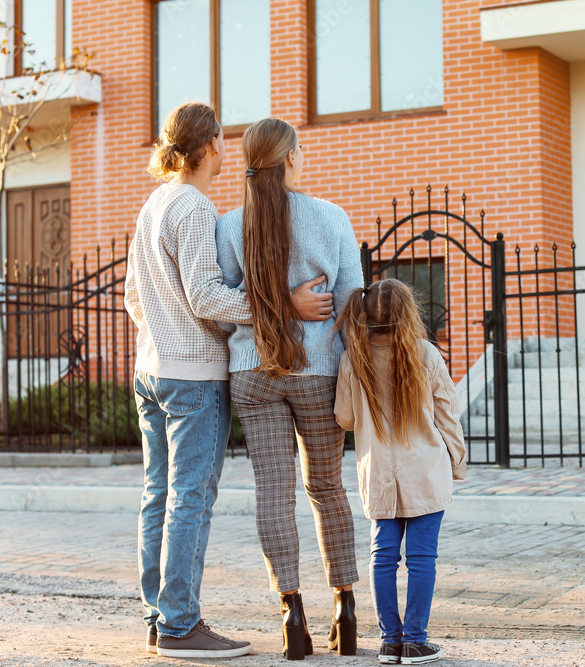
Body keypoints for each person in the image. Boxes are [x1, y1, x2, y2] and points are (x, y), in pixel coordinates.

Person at [125, 102, 330, 659]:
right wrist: (282, 305)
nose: (223, 148)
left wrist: (163, 337)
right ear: (209, 145)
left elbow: (132, 299)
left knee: (158, 496)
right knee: (190, 498)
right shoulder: (193, 206)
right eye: (220, 139)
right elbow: (207, 297)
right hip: (191, 378)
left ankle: (159, 616)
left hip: (151, 371)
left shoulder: (153, 204)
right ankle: (181, 626)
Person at [215, 117, 363, 661]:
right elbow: (352, 304)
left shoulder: (230, 226)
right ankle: (346, 610)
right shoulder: (331, 218)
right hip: (317, 371)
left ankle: (291, 614)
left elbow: (227, 303)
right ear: (293, 158)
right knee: (327, 489)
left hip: (254, 373)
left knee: (273, 493)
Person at [333, 279, 467, 666]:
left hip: (378, 474)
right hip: (425, 471)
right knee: (423, 557)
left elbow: (344, 418)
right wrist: (457, 463)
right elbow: (448, 416)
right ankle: (415, 641)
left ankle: (390, 643)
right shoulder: (425, 354)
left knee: (382, 555)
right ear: (407, 313)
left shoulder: (351, 360)